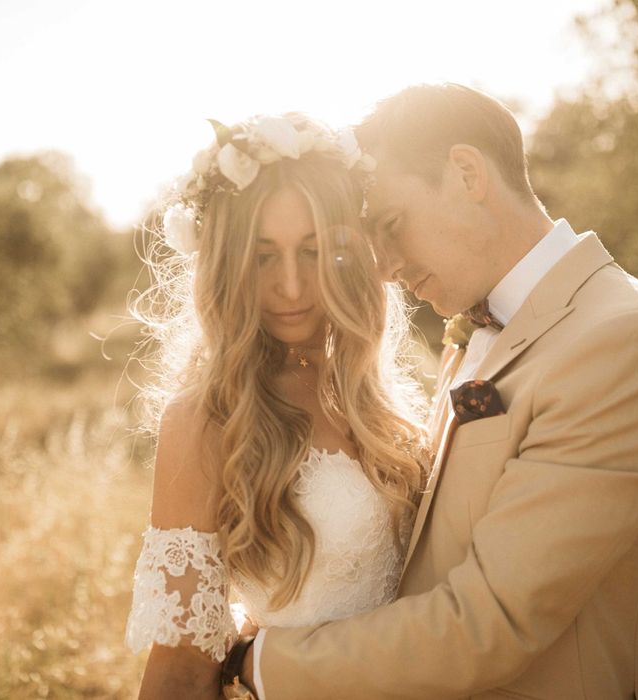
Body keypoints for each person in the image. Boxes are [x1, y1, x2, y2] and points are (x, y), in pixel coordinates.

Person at [239, 84, 638, 699]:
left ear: (467, 172)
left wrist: (260, 663)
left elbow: (489, 622)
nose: (385, 267)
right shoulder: (482, 326)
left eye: (391, 226)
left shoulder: (629, 341)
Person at [123, 113, 428, 699]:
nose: (290, 286)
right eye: (264, 256)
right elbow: (183, 668)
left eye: (313, 252)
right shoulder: (206, 419)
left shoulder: (382, 398)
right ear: (228, 263)